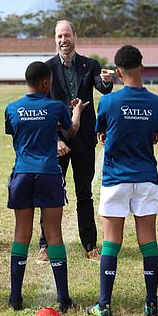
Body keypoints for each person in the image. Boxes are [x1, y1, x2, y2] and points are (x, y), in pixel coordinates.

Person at [87, 45, 158, 316]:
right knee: (149, 240)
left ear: (118, 72)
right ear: (142, 68)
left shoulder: (108, 102)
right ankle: (151, 303)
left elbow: (101, 135)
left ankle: (104, 305)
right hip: (145, 177)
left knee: (111, 240)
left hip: (116, 178)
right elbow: (157, 138)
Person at [5, 61, 87, 313]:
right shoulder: (55, 107)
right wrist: (77, 111)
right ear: (46, 83)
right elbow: (71, 132)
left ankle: (15, 297)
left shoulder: (12, 108)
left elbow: (16, 136)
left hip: (22, 174)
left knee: (21, 233)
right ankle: (63, 298)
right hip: (49, 174)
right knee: (53, 235)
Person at [38, 19, 113, 263]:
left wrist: (107, 81)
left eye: (67, 36)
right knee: (51, 193)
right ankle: (45, 245)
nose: (63, 41)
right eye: (59, 36)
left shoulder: (89, 64)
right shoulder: (47, 68)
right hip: (57, 141)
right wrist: (53, 140)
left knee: (84, 193)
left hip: (83, 139)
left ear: (75, 37)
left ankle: (90, 245)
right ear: (55, 39)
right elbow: (42, 107)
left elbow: (103, 87)